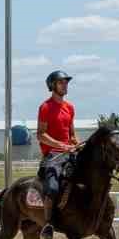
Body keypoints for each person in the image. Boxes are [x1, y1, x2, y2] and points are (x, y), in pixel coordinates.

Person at [37, 70, 79, 212]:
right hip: (53, 156)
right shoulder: (45, 107)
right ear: (52, 85)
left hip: (69, 153)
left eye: (66, 82)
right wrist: (61, 145)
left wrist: (77, 144)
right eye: (61, 82)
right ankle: (48, 223)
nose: (65, 85)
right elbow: (41, 135)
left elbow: (72, 136)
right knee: (53, 187)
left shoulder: (70, 108)